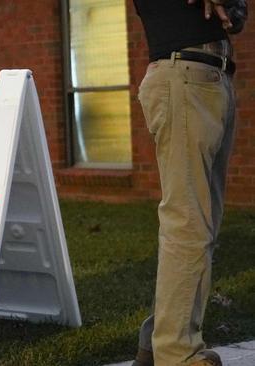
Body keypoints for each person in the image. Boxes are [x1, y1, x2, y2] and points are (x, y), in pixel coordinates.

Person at [131, 0, 247, 365]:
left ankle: (159, 341)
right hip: (184, 77)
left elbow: (236, 16)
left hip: (213, 79)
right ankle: (176, 353)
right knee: (189, 223)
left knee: (200, 226)